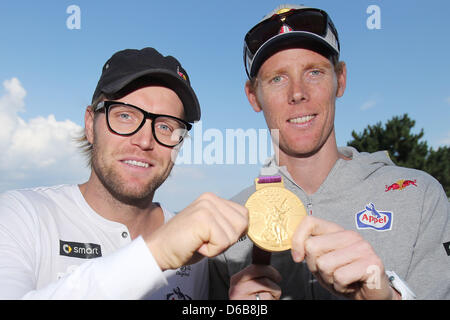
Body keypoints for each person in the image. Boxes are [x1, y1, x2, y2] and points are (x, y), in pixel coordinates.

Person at [209, 4, 450, 300]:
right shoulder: (227, 226)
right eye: (277, 78)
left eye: (314, 72)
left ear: (341, 79)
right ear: (253, 96)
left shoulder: (420, 196)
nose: (297, 92)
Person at [0, 47, 248, 299]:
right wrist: (156, 253)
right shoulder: (22, 217)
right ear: (90, 124)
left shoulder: (199, 253)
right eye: (125, 115)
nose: (144, 140)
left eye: (165, 126)